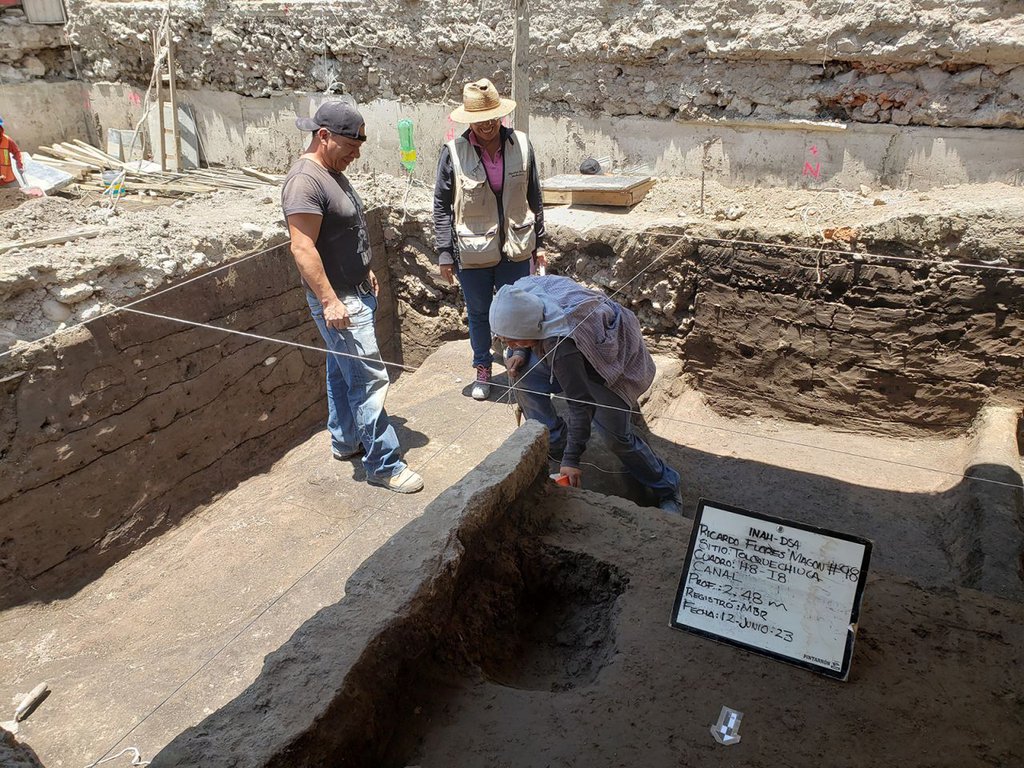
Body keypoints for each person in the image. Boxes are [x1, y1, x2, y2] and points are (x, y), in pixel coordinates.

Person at [282, 101, 423, 494]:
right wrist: (329, 300)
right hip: (340, 300)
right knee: (369, 380)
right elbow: (303, 248)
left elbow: (343, 230)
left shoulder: (332, 171)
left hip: (355, 290)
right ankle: (384, 463)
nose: (356, 154)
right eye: (351, 145)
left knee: (342, 372)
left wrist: (365, 268)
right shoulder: (304, 181)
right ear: (323, 136)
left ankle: (346, 441)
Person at [489, 275, 683, 514]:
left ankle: (667, 487)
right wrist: (518, 349)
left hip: (605, 360)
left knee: (617, 438)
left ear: (530, 329)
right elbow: (520, 327)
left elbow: (581, 404)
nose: (505, 343)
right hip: (564, 345)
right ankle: (555, 441)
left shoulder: (560, 346)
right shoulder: (519, 294)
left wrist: (572, 461)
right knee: (523, 372)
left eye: (511, 339)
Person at [433, 78, 546, 401]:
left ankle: (518, 361)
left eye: (492, 117)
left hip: (517, 245)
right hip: (473, 251)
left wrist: (540, 245)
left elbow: (534, 197)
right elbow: (441, 205)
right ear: (469, 120)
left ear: (501, 115)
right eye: (479, 119)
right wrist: (444, 252)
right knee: (480, 312)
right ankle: (483, 367)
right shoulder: (453, 153)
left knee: (517, 310)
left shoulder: (522, 145)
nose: (486, 125)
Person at [0, 117, 25, 187]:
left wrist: (19, 165)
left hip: (8, 177)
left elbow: (17, 152)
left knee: (19, 194)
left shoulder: (7, 140)